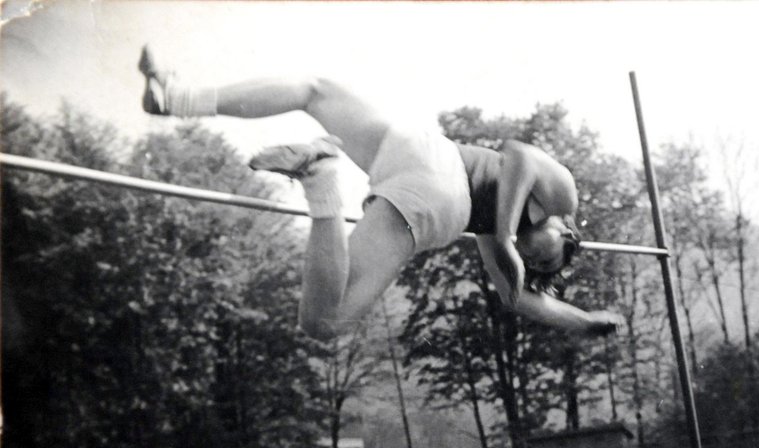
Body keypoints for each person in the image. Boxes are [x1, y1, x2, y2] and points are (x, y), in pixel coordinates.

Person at [137, 46, 624, 341]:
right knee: (325, 323)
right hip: (437, 183)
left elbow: (520, 301)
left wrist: (583, 322)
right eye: (547, 259)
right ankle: (320, 179)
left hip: (413, 160)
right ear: (567, 232)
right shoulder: (561, 201)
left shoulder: (498, 244)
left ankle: (172, 100)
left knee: (316, 91)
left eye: (536, 268)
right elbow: (518, 153)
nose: (531, 259)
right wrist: (503, 239)